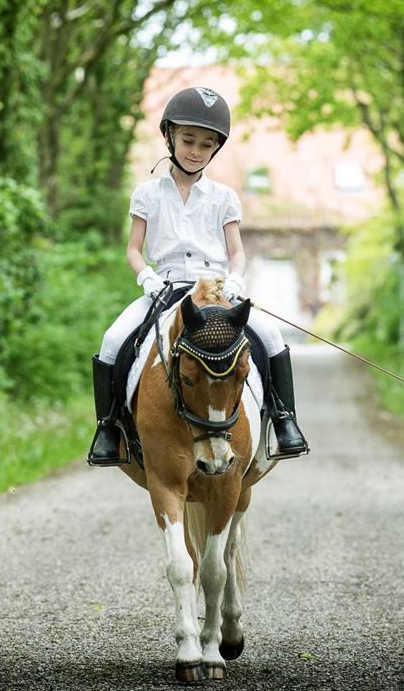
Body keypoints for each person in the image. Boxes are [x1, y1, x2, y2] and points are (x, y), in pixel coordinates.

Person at [88, 85, 308, 466]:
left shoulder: (224, 197)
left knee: (270, 336)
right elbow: (132, 251)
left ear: (215, 149)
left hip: (215, 288)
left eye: (205, 145)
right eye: (188, 140)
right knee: (112, 340)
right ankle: (108, 428)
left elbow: (236, 252)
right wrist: (147, 278)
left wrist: (235, 280)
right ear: (169, 136)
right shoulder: (147, 194)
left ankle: (285, 421)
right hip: (165, 286)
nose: (195, 150)